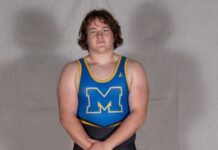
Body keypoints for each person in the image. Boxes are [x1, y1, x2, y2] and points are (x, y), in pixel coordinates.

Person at [57, 9, 149, 150]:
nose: (99, 35)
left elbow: (139, 113)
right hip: (86, 146)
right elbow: (67, 116)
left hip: (123, 145)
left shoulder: (133, 68)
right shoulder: (72, 70)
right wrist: (92, 147)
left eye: (105, 30)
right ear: (86, 38)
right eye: (93, 31)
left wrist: (107, 146)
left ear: (114, 35)